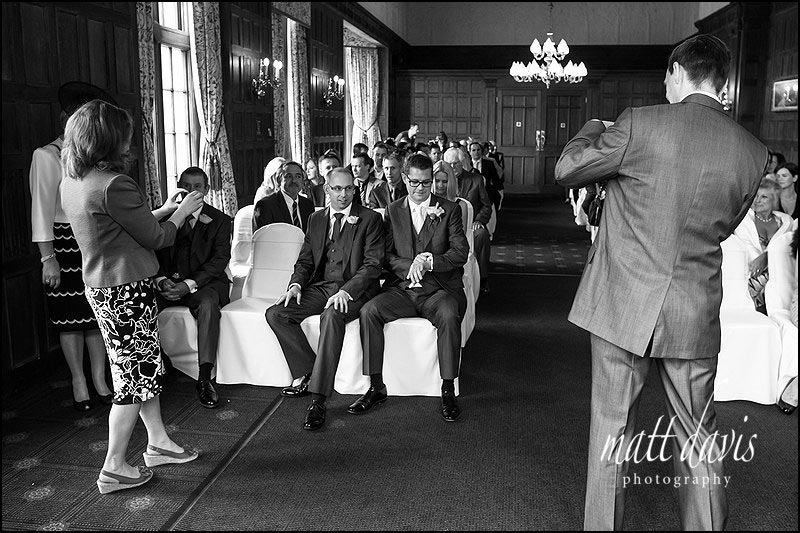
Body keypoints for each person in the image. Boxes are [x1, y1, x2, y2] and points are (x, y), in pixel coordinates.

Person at [555, 34, 767, 530]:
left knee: (613, 431)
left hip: (622, 302)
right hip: (694, 308)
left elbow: (568, 168)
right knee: (699, 435)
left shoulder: (640, 124)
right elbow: (728, 223)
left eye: (666, 76)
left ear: (677, 72)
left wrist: (593, 127)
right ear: (721, 81)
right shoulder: (753, 153)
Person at [61, 100, 203, 494]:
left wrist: (161, 209)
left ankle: (157, 442)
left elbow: (118, 227)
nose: (129, 141)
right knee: (134, 380)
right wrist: (182, 211)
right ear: (110, 139)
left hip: (102, 287)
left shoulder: (75, 181)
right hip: (126, 291)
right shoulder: (115, 183)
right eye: (124, 135)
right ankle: (113, 467)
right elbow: (157, 238)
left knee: (142, 371)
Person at [265, 168, 384, 431]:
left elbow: (373, 266)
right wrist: (295, 285)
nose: (343, 194)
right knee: (276, 313)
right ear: (326, 190)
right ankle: (308, 372)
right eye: (338, 189)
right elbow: (306, 259)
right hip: (321, 287)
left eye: (349, 189)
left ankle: (318, 399)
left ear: (355, 190)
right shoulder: (316, 219)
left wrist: (347, 290)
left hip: (356, 290)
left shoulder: (370, 219)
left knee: (330, 316)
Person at [354, 154, 469, 422]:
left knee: (450, 314)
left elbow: (460, 253)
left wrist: (429, 260)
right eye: (415, 182)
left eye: (427, 183)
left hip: (437, 290)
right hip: (403, 290)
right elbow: (387, 256)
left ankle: (448, 387)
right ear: (405, 179)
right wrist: (410, 266)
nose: (421, 188)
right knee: (369, 311)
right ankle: (376, 385)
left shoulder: (450, 209)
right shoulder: (393, 210)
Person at [30, 81, 114, 412]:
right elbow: (40, 211)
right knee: (69, 319)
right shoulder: (46, 156)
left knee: (94, 317)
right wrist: (47, 258)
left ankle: (99, 379)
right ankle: (78, 381)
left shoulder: (91, 156)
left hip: (90, 239)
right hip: (61, 245)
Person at [154, 167, 232, 408]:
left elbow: (219, 261)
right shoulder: (165, 217)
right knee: (139, 303)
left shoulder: (219, 219)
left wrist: (188, 286)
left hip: (203, 284)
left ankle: (204, 377)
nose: (190, 192)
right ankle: (159, 364)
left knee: (209, 306)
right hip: (167, 283)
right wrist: (160, 280)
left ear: (206, 190)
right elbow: (150, 251)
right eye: (186, 186)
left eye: (197, 187)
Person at [733, 178, 794, 313]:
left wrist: (766, 257)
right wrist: (765, 259)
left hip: (779, 278)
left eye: (764, 197)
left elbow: (787, 250)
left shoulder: (786, 222)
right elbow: (747, 248)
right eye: (756, 196)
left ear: (775, 200)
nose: (757, 200)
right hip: (749, 277)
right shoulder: (743, 220)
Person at [443, 147, 492, 295]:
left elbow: (486, 206)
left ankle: (483, 278)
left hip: (470, 225)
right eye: (449, 164)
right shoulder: (440, 181)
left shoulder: (475, 180)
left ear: (462, 162)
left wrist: (479, 220)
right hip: (447, 226)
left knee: (481, 234)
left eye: (456, 163)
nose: (453, 167)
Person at [253, 160, 315, 232]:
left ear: (302, 181)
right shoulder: (265, 205)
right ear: (279, 180)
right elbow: (261, 239)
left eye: (298, 176)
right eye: (288, 176)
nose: (294, 180)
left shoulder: (308, 205)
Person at [469, 141, 504, 214]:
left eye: (478, 150)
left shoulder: (489, 163)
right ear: (470, 152)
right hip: (471, 193)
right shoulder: (467, 164)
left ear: (481, 151)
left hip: (487, 192)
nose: (476, 152)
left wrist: (497, 191)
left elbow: (496, 179)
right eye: (474, 150)